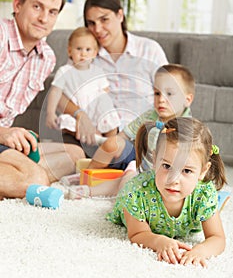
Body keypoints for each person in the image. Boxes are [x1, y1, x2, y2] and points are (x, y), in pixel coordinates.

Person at [0, 0, 85, 199]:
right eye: (37, 7)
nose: (43, 18)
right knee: (37, 180)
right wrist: (3, 133)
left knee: (75, 154)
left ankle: (13, 178)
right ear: (17, 5)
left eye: (52, 12)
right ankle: (24, 176)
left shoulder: (46, 58)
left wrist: (15, 135)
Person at [106, 117, 227, 267]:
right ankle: (129, 172)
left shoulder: (204, 194)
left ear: (203, 171)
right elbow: (137, 234)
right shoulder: (136, 192)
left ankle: (131, 171)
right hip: (131, 192)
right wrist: (159, 241)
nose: (173, 179)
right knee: (124, 185)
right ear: (155, 159)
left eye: (186, 170)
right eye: (167, 166)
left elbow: (217, 238)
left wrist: (201, 250)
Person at [60, 0, 168, 145]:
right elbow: (61, 95)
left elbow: (170, 97)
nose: (97, 29)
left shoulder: (149, 49)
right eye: (91, 23)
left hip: (139, 138)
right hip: (94, 136)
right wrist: (80, 115)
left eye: (104, 20)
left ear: (120, 15)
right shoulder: (84, 53)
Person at [69, 63, 195, 198]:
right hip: (139, 159)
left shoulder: (188, 127)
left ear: (187, 100)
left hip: (161, 171)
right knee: (114, 143)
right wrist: (109, 143)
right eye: (157, 93)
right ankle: (88, 175)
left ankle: (107, 196)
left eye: (169, 94)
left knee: (127, 179)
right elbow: (124, 135)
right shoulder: (150, 116)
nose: (161, 100)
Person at [46, 26, 120, 138]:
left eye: (88, 50)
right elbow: (55, 92)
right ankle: (94, 136)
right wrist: (50, 113)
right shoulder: (65, 71)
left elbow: (105, 93)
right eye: (79, 49)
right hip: (75, 115)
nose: (83, 54)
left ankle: (109, 141)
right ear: (69, 51)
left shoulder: (98, 72)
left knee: (111, 118)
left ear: (95, 53)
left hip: (96, 112)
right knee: (66, 124)